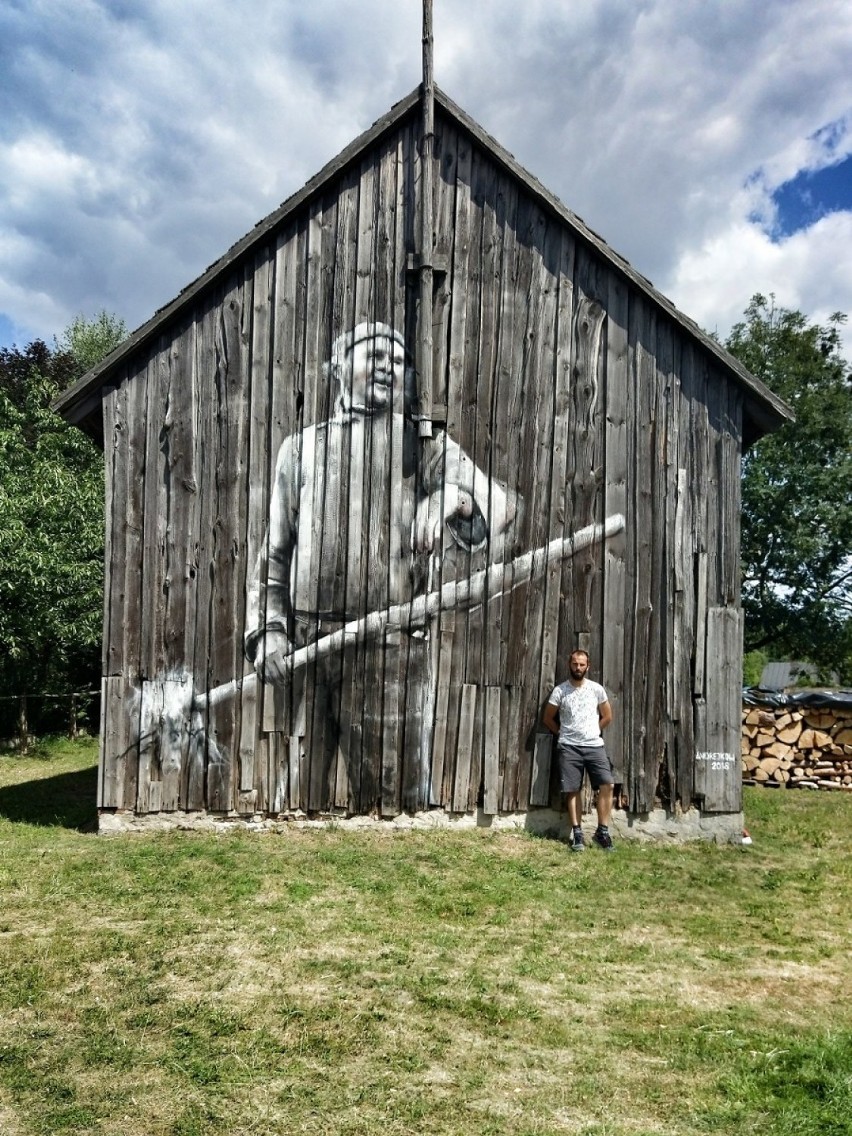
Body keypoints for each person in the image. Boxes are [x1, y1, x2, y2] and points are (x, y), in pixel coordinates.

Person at [244, 321, 519, 806]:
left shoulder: (424, 445)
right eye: (374, 354)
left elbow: (500, 508)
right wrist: (268, 629)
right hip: (309, 648)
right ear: (337, 366)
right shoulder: (301, 449)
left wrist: (451, 498)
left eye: (397, 359)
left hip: (393, 649)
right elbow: (275, 553)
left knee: (395, 802)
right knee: (299, 799)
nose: (388, 366)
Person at [542, 649, 614, 851]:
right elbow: (548, 718)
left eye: (582, 664)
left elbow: (607, 716)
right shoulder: (560, 691)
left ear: (588, 666)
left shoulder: (596, 689)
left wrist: (592, 731)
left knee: (607, 784)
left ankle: (602, 832)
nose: (578, 667)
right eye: (575, 664)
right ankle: (577, 833)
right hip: (569, 747)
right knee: (573, 789)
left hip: (594, 746)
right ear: (569, 665)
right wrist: (563, 734)